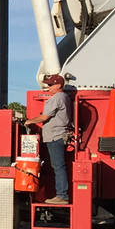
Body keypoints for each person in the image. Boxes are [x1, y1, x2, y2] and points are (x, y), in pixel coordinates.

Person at [24, 73, 72, 204]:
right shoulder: (65, 97)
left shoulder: (56, 98)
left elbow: (44, 117)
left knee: (58, 166)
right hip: (58, 135)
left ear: (58, 85)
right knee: (58, 166)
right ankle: (61, 194)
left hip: (55, 136)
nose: (48, 87)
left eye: (51, 85)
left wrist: (29, 121)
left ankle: (62, 195)